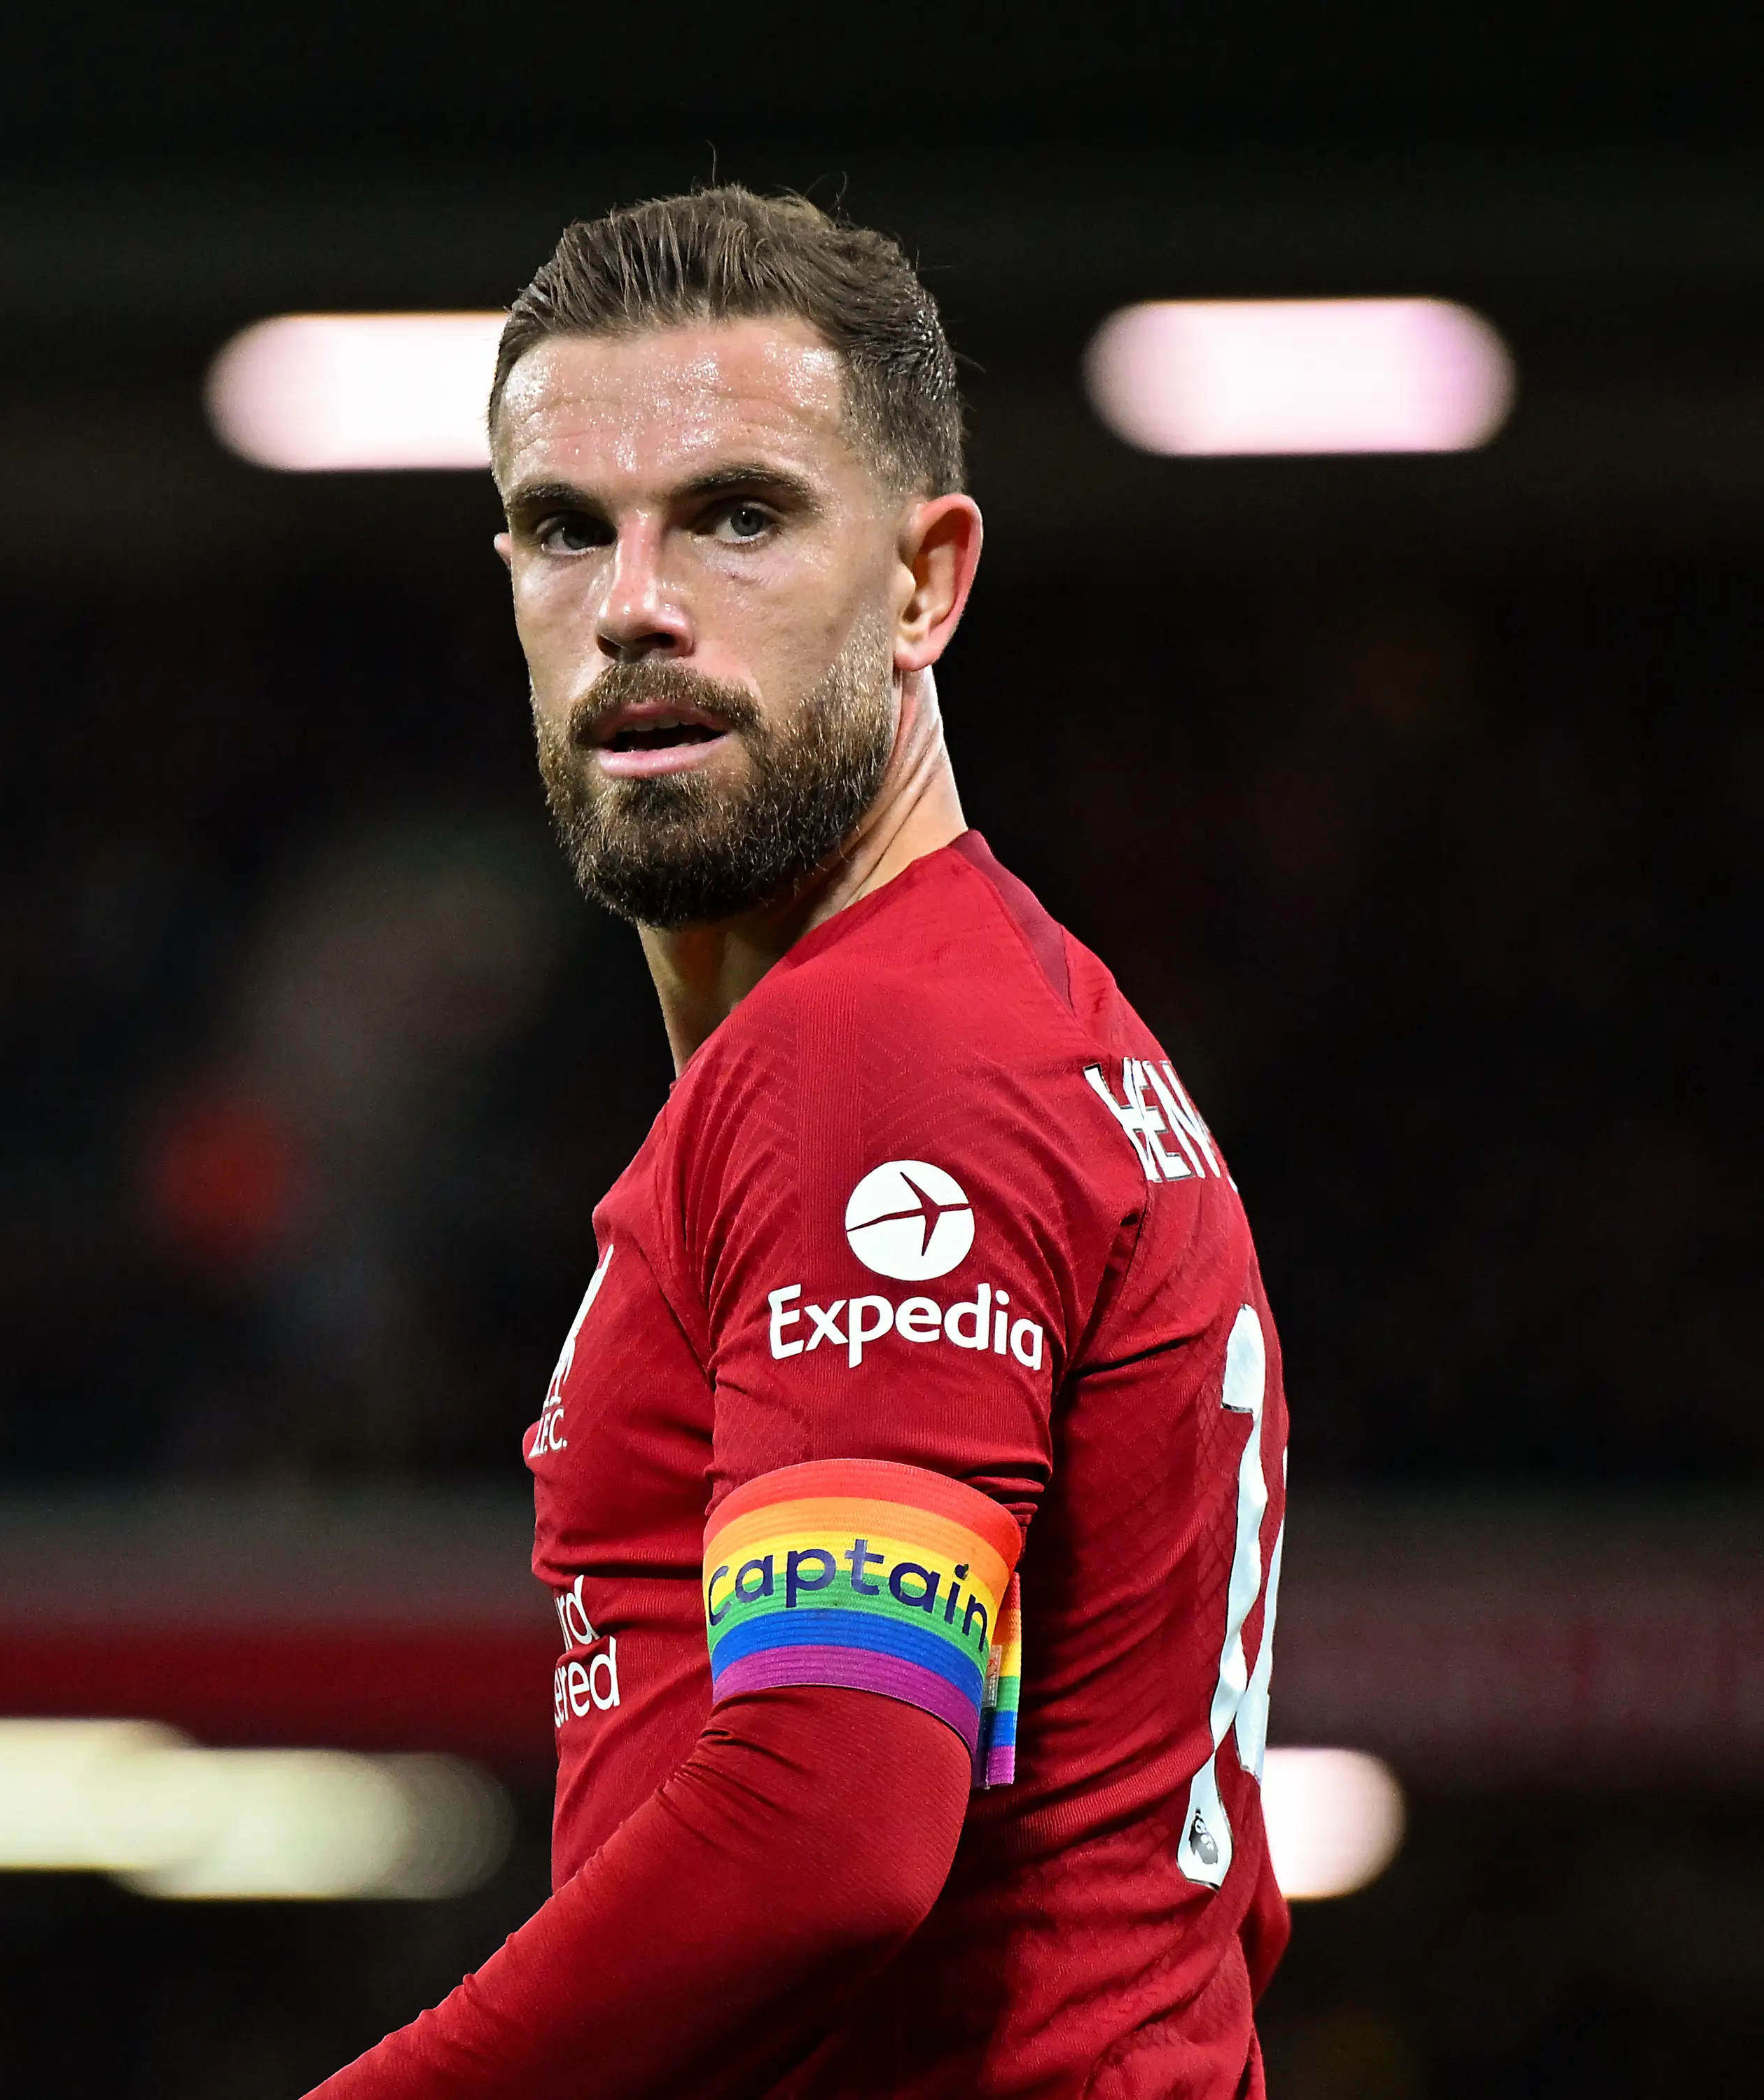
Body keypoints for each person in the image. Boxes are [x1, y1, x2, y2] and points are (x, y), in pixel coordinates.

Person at [308, 188, 1291, 2098]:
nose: (636, 605)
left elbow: (826, 1823)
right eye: (564, 530)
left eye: (739, 515)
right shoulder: (1009, 1015)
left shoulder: (878, 1062)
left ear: (928, 582)